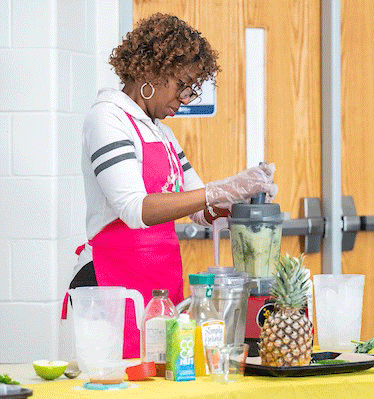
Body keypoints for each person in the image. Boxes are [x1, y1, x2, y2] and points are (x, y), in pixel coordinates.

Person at [63, 13, 277, 358]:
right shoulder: (107, 118)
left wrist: (242, 195)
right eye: (183, 85)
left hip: (159, 281)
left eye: (193, 88)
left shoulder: (162, 132)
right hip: (112, 286)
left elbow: (201, 211)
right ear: (151, 72)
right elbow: (136, 209)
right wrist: (217, 190)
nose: (186, 98)